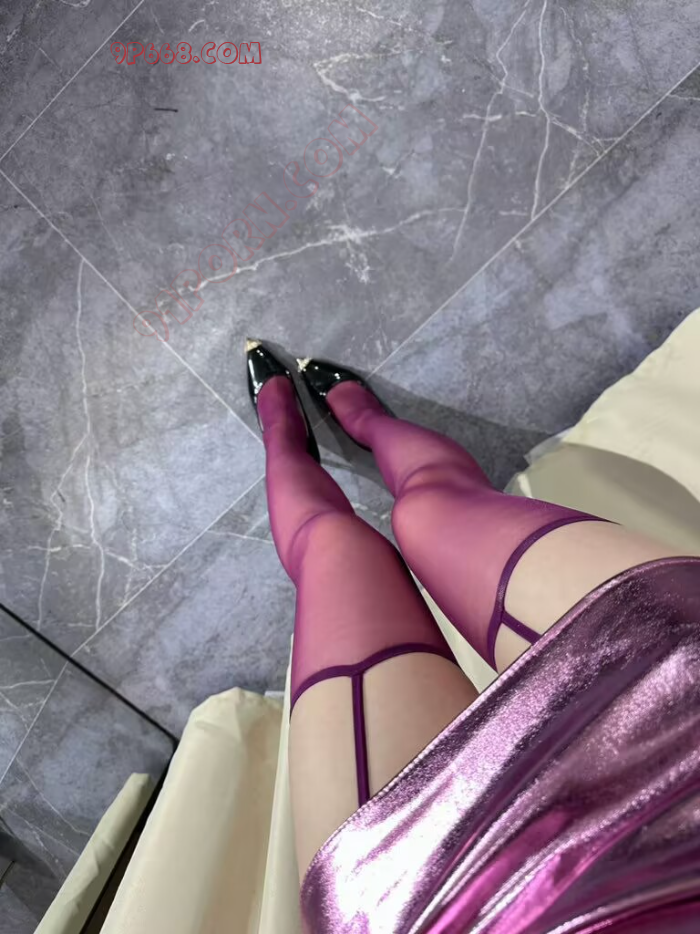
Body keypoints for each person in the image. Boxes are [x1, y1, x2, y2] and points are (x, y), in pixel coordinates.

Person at [245, 339, 700, 934]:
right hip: (682, 726)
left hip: (435, 904)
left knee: (334, 547)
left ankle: (281, 434)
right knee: (430, 505)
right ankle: (367, 421)